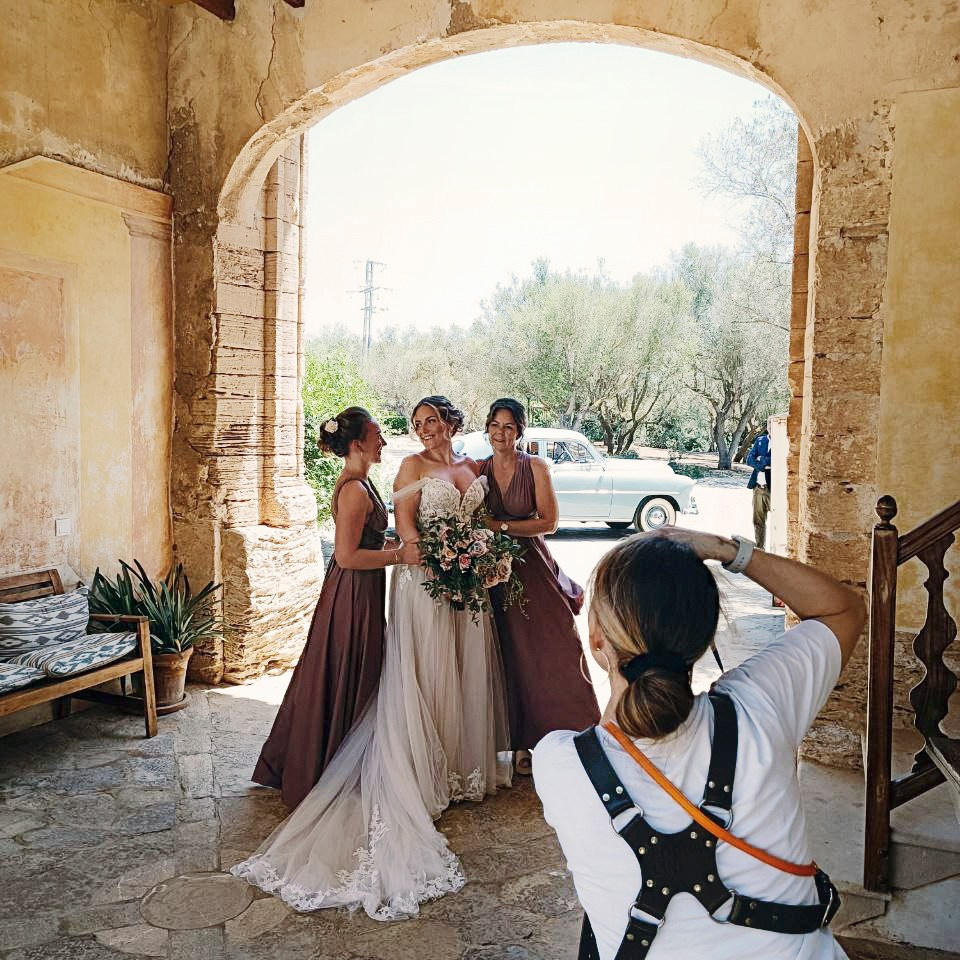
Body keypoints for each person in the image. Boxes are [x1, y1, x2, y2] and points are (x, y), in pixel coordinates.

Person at [232, 396, 511, 920]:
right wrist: (416, 555)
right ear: (360, 443)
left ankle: (451, 761)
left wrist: (480, 557)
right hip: (414, 584)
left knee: (418, 674)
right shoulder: (379, 480)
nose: (415, 432)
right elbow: (378, 542)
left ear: (451, 423)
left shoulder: (459, 469)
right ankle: (349, 761)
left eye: (431, 421)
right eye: (407, 425)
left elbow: (471, 523)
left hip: (447, 585)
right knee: (392, 674)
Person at [533, 528, 864, 960]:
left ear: (596, 638)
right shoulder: (759, 705)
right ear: (706, 641)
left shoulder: (558, 765)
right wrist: (729, 551)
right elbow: (844, 610)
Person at [251, 407, 420, 809]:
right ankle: (328, 765)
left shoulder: (361, 482)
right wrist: (400, 558)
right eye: (377, 435)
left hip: (359, 588)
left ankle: (334, 758)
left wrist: (394, 547)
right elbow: (346, 557)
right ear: (358, 443)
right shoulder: (354, 490)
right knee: (350, 667)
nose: (383, 441)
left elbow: (365, 543)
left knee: (348, 668)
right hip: (352, 592)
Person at [479, 398, 599, 774]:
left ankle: (573, 734)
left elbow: (549, 523)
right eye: (495, 426)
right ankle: (517, 746)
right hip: (492, 571)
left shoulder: (536, 468)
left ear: (520, 431)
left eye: (509, 427)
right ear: (487, 428)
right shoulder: (477, 469)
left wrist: (499, 526)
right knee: (507, 655)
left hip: (532, 566)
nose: (501, 433)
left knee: (553, 647)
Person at [746, 428, 772, 548]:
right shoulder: (760, 440)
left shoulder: (782, 442)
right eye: (769, 425)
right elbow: (749, 459)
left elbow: (777, 460)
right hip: (757, 488)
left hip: (772, 489)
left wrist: (761, 459)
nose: (771, 427)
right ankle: (760, 548)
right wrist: (764, 465)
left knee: (779, 520)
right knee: (758, 521)